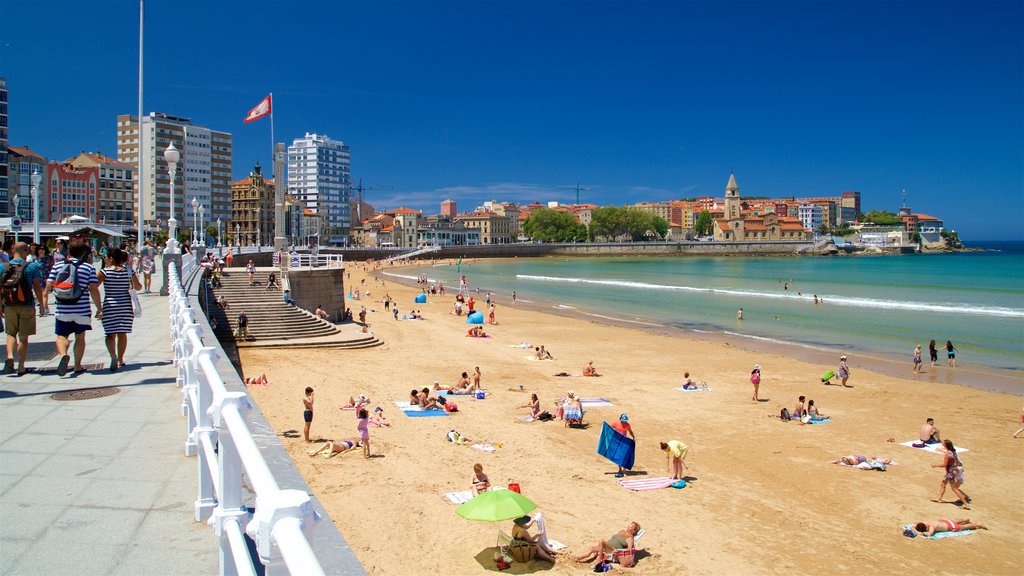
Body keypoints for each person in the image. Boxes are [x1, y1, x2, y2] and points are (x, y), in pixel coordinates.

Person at [45, 241, 102, 376]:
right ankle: (77, 365)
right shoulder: (88, 268)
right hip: (82, 309)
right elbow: (93, 289)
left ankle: (63, 355)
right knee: (80, 337)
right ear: (83, 253)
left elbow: (48, 285)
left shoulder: (58, 266)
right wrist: (99, 308)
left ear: (68, 252)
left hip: (62, 309)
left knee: (61, 336)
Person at [0, 242, 45, 376]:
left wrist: (0, 306)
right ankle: (21, 366)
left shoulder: (3, 266)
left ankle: (9, 356)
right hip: (26, 304)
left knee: (11, 333)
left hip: (9, 304)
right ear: (26, 251)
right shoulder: (32, 266)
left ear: (13, 250)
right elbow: (37, 286)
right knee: (23, 337)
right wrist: (42, 305)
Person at [97, 248, 143, 372]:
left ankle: (113, 355)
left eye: (106, 256)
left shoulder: (104, 272)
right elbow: (138, 287)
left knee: (110, 334)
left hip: (110, 305)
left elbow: (93, 285)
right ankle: (120, 359)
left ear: (111, 258)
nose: (104, 258)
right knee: (122, 333)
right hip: (125, 305)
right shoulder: (128, 271)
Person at [574, 522, 641, 563]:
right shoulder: (622, 531)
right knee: (592, 548)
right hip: (608, 547)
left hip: (614, 551)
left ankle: (599, 559)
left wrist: (620, 552)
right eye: (629, 525)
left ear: (634, 531)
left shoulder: (630, 538)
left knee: (602, 541)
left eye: (631, 526)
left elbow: (629, 550)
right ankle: (579, 557)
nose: (628, 526)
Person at [933, 439, 970, 509]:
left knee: (954, 488)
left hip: (950, 472)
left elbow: (944, 465)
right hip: (953, 471)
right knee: (943, 483)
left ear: (946, 446)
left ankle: (965, 503)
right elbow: (957, 462)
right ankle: (939, 498)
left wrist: (935, 465)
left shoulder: (948, 454)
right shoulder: (953, 451)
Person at [914, 519, 987, 536]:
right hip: (944, 521)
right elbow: (915, 524)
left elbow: (929, 534)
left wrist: (920, 533)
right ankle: (965, 519)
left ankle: (978, 525)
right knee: (955, 521)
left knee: (963, 527)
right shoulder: (925, 522)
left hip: (950, 527)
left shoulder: (931, 527)